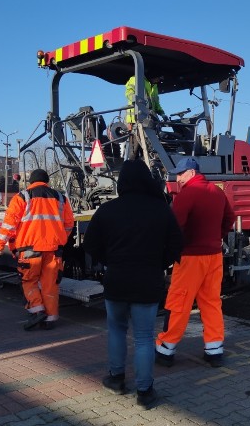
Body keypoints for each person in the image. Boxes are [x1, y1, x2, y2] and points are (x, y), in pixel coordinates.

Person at [83, 160, 183, 410]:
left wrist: (110, 261)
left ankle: (116, 379)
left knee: (116, 330)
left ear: (122, 182)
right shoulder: (161, 210)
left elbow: (91, 246)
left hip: (116, 279)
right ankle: (145, 392)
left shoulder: (108, 210)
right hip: (147, 282)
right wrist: (159, 264)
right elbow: (176, 245)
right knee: (143, 337)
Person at [155, 157, 235, 368]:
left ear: (191, 173)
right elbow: (230, 218)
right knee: (211, 302)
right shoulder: (217, 192)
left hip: (191, 257)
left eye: (180, 174)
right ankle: (214, 350)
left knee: (179, 302)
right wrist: (217, 236)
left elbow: (173, 228)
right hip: (214, 256)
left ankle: (166, 349)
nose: (178, 178)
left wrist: (169, 250)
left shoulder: (186, 195)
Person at [0, 169, 75, 330]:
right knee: (50, 284)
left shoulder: (22, 197)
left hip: (30, 250)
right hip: (53, 250)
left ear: (30, 182)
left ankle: (37, 311)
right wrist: (59, 239)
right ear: (47, 182)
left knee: (29, 281)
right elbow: (69, 224)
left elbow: (9, 224)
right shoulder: (60, 198)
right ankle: (50, 319)